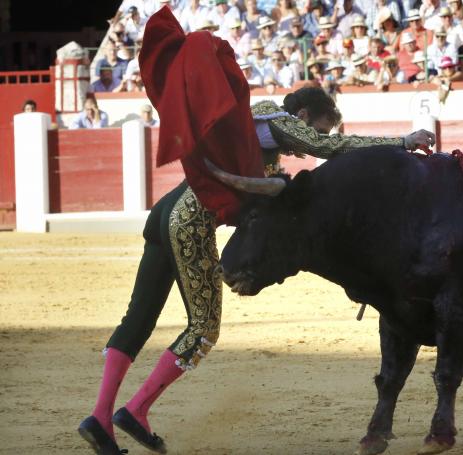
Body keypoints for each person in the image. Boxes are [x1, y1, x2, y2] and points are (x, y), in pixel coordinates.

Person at [78, 9, 436, 455]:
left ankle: (100, 417)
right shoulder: (276, 121)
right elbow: (330, 147)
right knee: (204, 329)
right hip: (190, 221)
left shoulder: (262, 142)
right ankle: (134, 410)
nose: (313, 140)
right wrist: (399, 143)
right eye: (316, 126)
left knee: (139, 317)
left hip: (165, 212)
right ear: (303, 114)